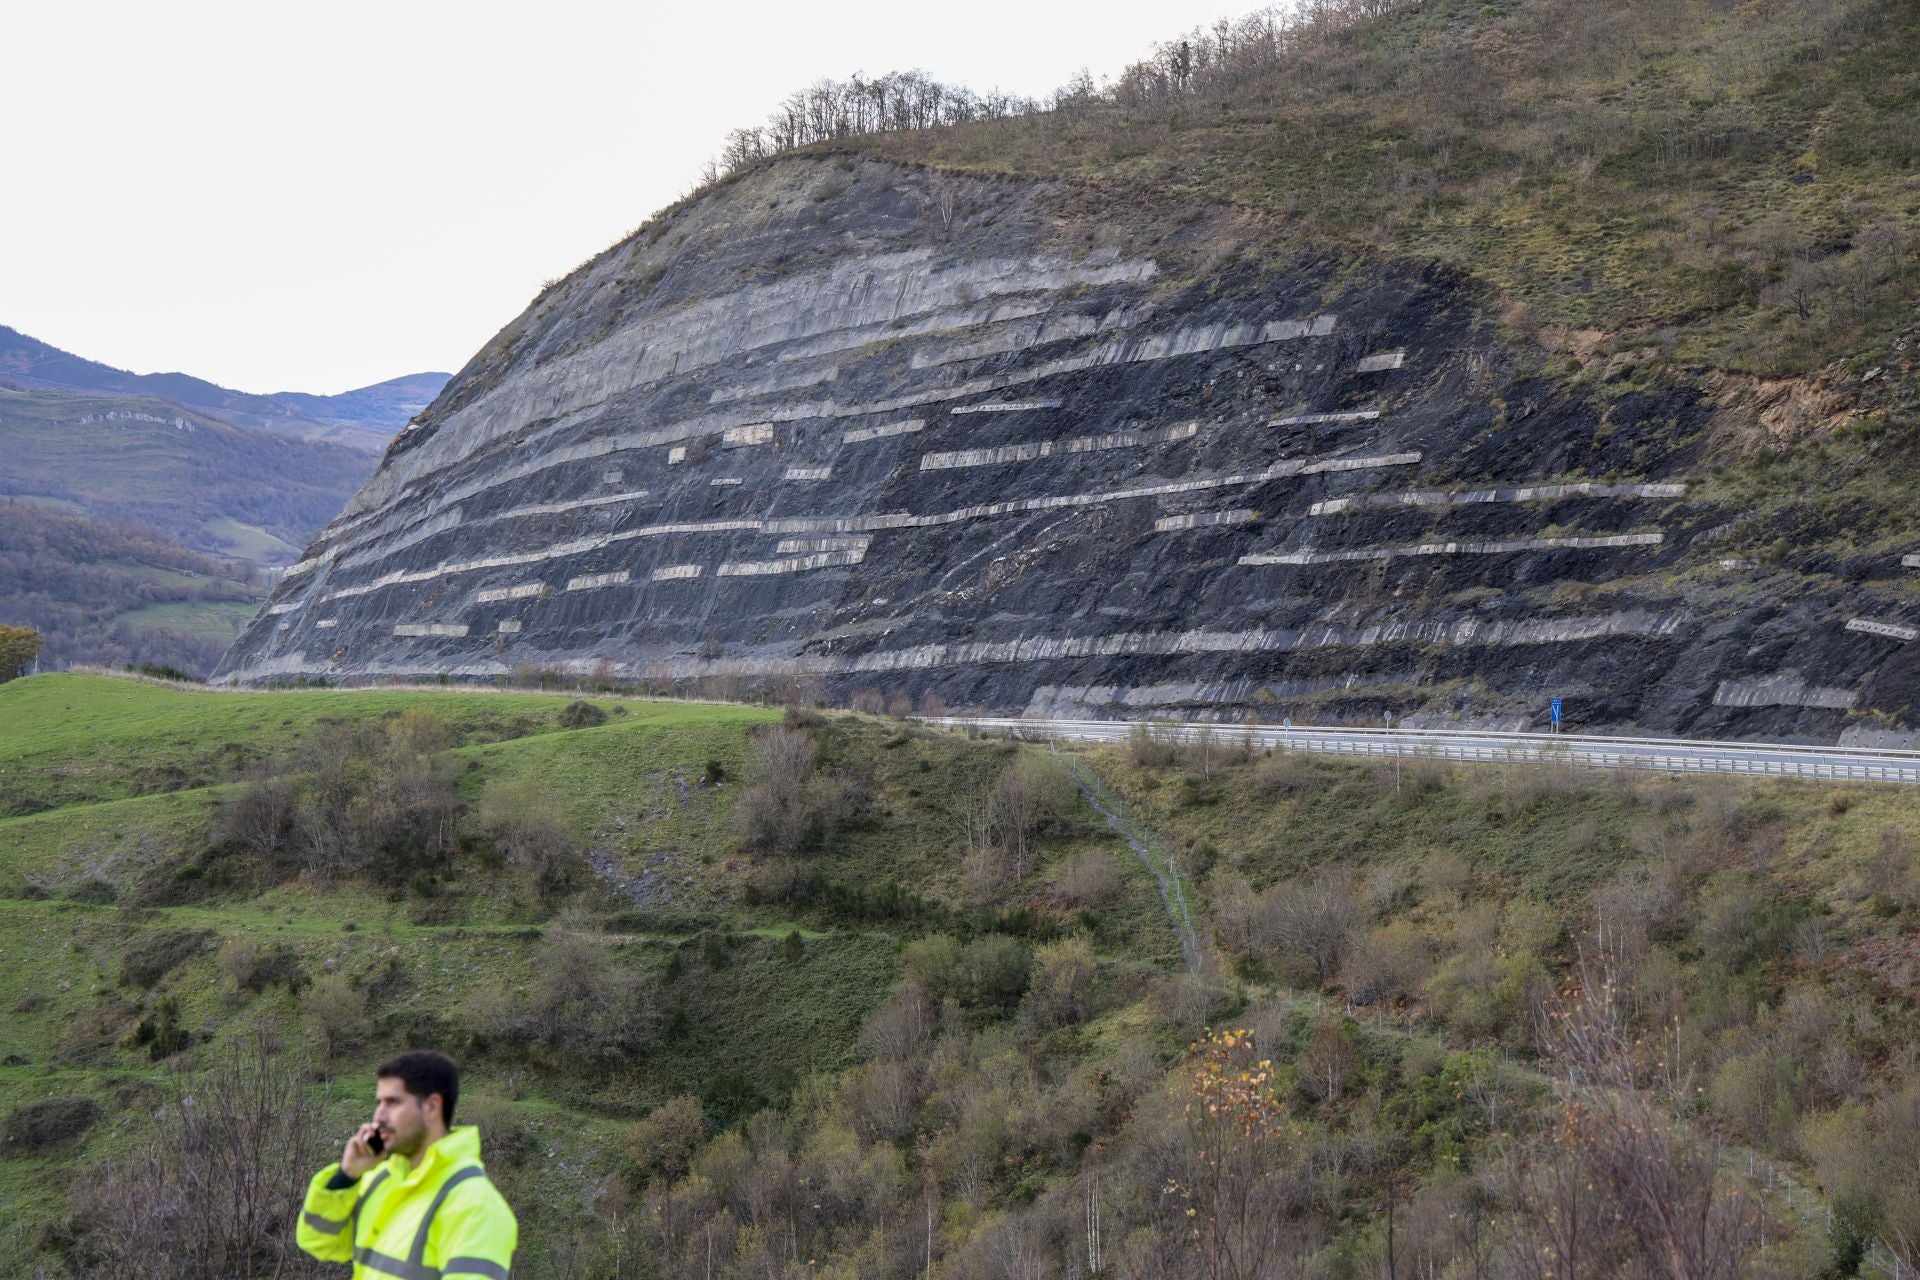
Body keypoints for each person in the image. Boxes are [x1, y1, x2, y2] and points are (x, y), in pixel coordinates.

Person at [296, 1050, 518, 1279]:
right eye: (379, 1103)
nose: (378, 1116)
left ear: (431, 1106)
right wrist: (347, 1175)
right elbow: (318, 1242)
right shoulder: (381, 1180)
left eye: (392, 1102)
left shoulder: (476, 1207)